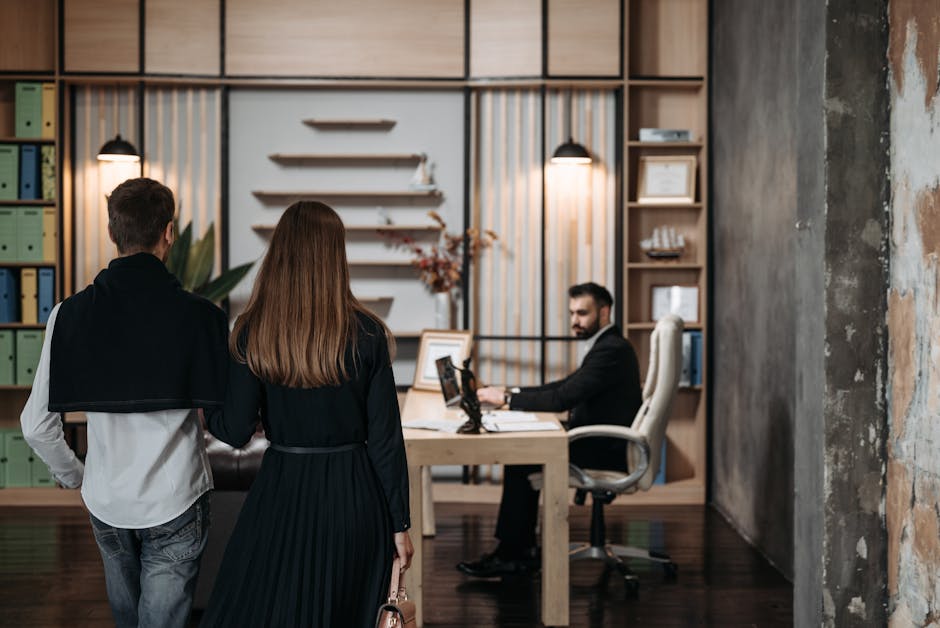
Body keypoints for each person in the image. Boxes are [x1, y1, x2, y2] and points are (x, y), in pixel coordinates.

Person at [21, 178, 229, 628]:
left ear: (113, 232)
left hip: (107, 501)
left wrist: (75, 474)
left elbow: (36, 425)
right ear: (169, 232)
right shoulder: (204, 318)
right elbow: (227, 419)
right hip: (177, 499)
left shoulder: (67, 314)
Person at [200, 200, 414, 628]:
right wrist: (399, 525)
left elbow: (235, 431)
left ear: (280, 252)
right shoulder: (369, 333)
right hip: (356, 498)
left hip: (281, 490)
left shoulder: (252, 329)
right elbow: (386, 440)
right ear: (337, 256)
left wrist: (208, 397)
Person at [457, 282, 642, 577]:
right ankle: (519, 551)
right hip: (600, 441)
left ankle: (513, 555)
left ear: (604, 312)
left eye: (582, 313)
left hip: (605, 450)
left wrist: (505, 399)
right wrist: (508, 391)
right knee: (524, 455)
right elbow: (563, 387)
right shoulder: (607, 347)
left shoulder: (612, 351)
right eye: (572, 313)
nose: (575, 321)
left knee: (522, 459)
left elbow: (562, 399)